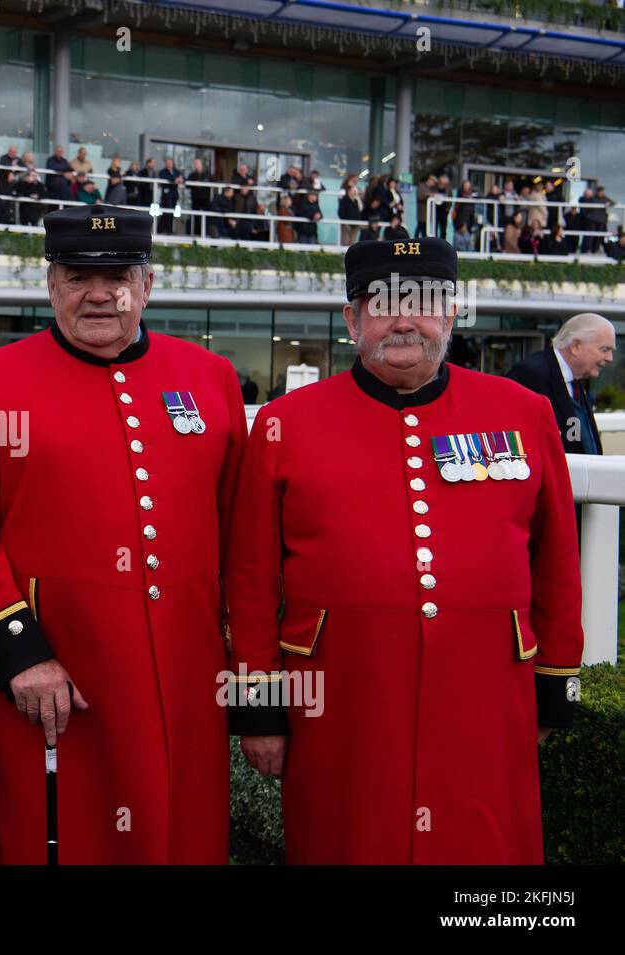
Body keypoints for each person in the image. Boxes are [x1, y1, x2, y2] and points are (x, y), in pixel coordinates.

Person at [227, 238, 583, 864]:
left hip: (485, 690)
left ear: (450, 314)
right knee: (348, 838)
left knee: (481, 847)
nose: (404, 319)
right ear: (350, 320)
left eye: (424, 301)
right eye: (382, 302)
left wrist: (556, 681)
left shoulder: (524, 414)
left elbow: (556, 558)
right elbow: (251, 579)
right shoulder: (286, 423)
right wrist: (258, 707)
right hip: (340, 697)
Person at [0, 204, 247, 864]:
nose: (100, 293)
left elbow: (239, 535)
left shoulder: (211, 378)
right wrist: (19, 651)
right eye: (79, 276)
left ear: (149, 285)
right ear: (51, 286)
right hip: (58, 674)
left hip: (189, 677)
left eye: (120, 276)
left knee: (181, 832)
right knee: (60, 834)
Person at [508, 313, 615, 457]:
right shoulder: (531, 373)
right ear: (576, 346)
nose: (610, 358)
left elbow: (577, 439)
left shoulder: (575, 381)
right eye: (604, 349)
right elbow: (514, 439)